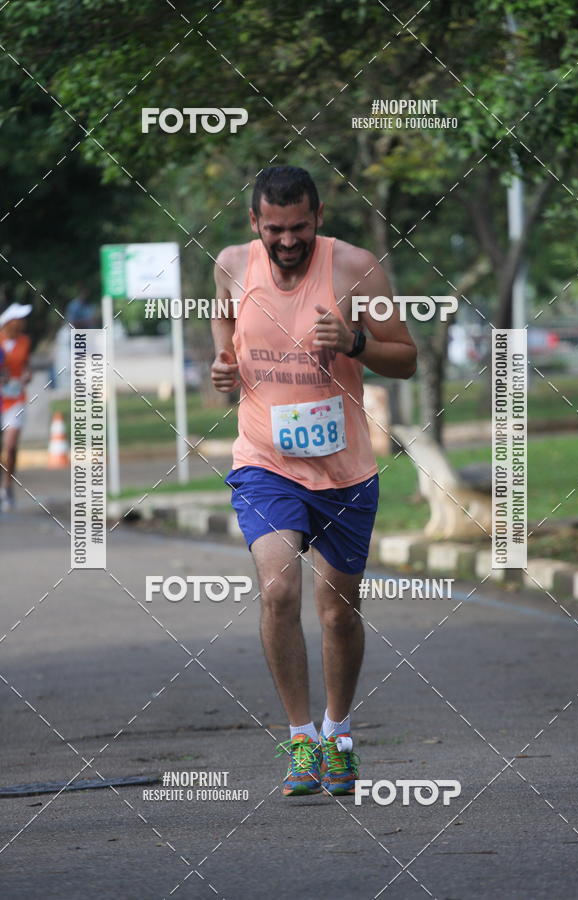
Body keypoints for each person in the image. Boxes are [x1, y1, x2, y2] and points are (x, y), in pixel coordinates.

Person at [211, 166, 417, 796]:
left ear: (318, 217)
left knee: (338, 612)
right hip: (265, 462)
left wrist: (355, 341)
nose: (288, 239)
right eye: (275, 229)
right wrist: (222, 367)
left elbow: (406, 357)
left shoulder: (357, 269)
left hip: (345, 470)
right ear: (255, 224)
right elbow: (224, 332)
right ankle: (301, 738)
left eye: (300, 226)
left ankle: (339, 732)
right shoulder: (229, 265)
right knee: (278, 590)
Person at [0, 303, 32, 511]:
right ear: (10, 322)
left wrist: (26, 375)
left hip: (16, 398)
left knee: (11, 445)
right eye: (20, 318)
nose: (23, 322)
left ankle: (8, 486)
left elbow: (26, 365)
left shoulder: (25, 341)